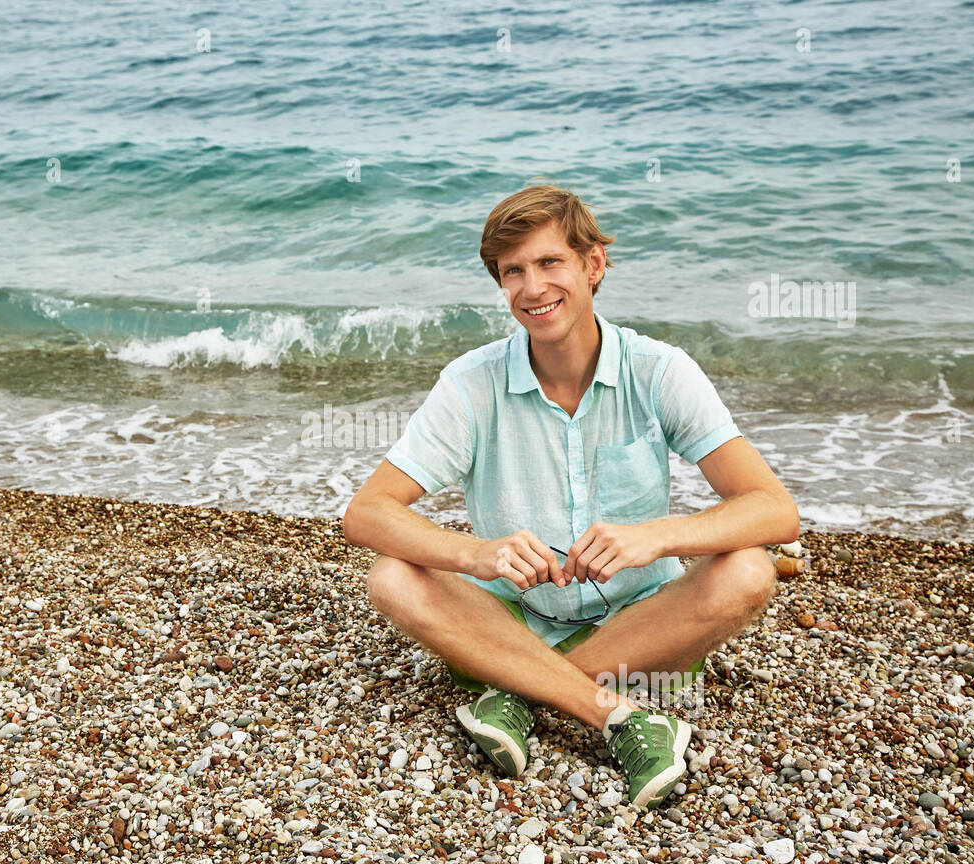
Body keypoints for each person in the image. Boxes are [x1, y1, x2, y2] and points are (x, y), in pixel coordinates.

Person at [342, 183, 799, 811]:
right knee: (391, 576)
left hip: (641, 628)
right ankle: (620, 716)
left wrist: (657, 535)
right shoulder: (472, 384)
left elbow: (774, 509)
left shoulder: (659, 370)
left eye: (551, 262)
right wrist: (476, 555)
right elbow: (367, 513)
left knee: (751, 566)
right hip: (504, 622)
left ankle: (519, 693)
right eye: (513, 272)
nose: (533, 288)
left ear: (593, 265)